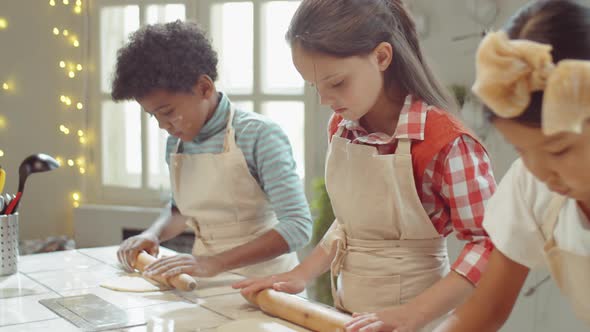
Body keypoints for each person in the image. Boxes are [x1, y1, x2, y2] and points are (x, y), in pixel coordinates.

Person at [233, 1, 497, 331]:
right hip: (346, 317)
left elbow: (489, 245)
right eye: (315, 86)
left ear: (382, 57)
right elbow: (350, 223)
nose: (324, 100)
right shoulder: (343, 129)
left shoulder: (447, 143)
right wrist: (299, 275)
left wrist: (411, 314)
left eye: (337, 82)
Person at [111, 20, 313, 280]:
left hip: (265, 284)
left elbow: (298, 226)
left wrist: (215, 263)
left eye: (168, 112)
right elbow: (179, 210)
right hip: (204, 280)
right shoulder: (177, 143)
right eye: (154, 116)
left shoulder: (259, 135)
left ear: (204, 87)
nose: (163, 126)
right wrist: (152, 234)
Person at [435, 1, 590, 330]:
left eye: (559, 150)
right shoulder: (533, 187)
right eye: (521, 151)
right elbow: (486, 309)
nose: (540, 172)